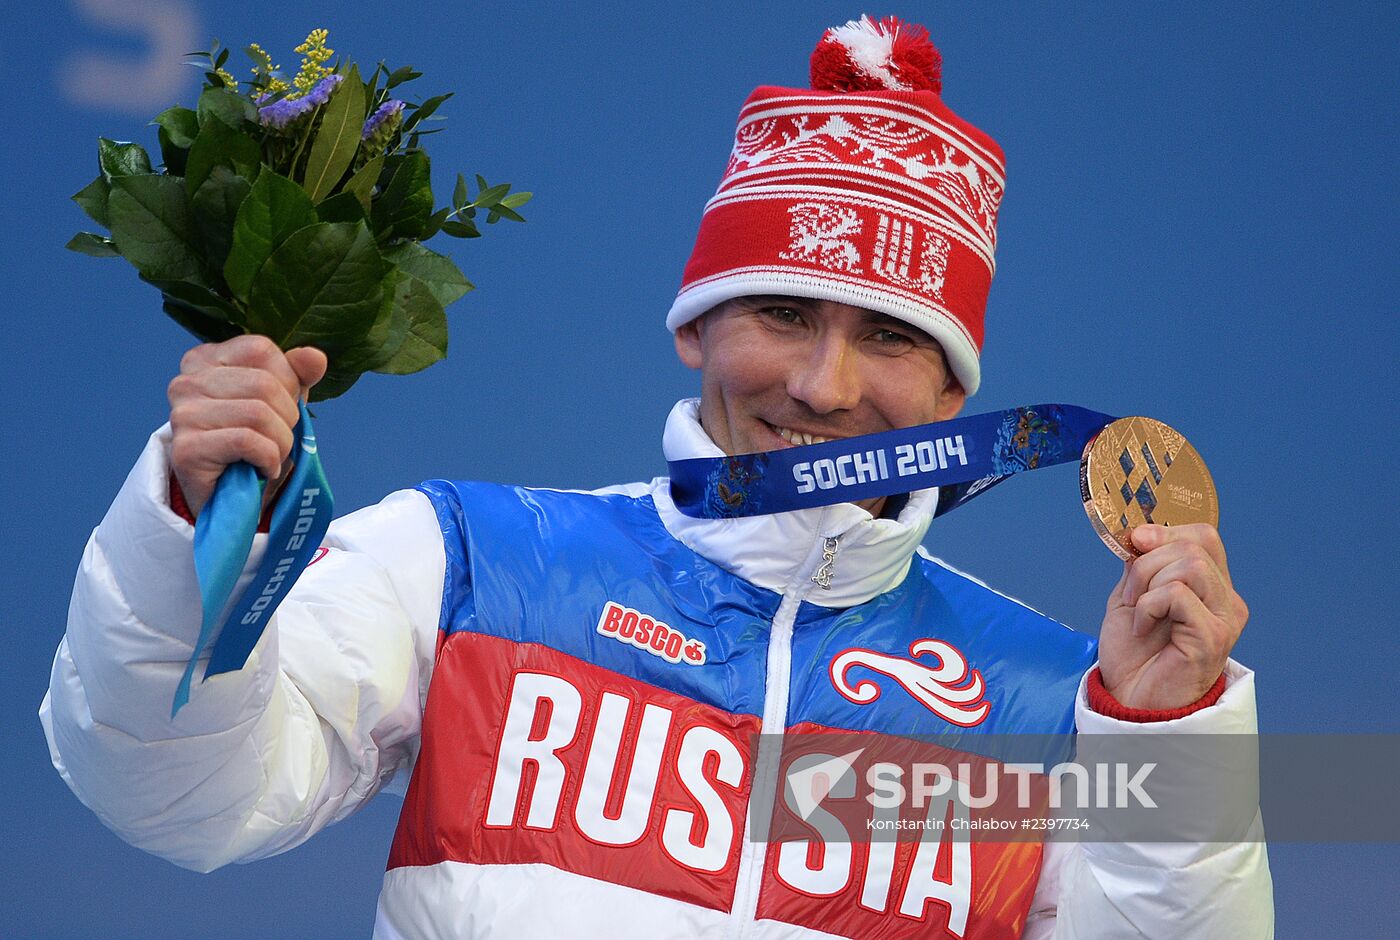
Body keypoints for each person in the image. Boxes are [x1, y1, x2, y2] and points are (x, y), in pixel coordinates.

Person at [40, 15, 1272, 939]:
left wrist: (1168, 738)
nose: (826, 386)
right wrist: (192, 531)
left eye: (891, 337)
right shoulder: (468, 562)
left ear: (954, 394)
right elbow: (180, 792)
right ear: (694, 326)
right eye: (782, 313)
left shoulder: (1054, 703)